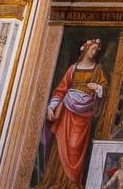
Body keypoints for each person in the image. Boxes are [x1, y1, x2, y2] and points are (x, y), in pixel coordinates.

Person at [43, 38, 104, 187]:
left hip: (84, 115)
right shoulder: (73, 69)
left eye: (96, 50)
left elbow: (104, 89)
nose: (95, 51)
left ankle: (72, 183)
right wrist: (51, 106)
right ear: (85, 48)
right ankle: (56, 180)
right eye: (93, 48)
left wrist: (98, 88)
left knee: (75, 148)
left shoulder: (97, 70)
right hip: (66, 111)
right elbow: (61, 89)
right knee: (60, 145)